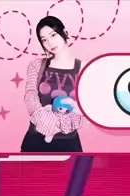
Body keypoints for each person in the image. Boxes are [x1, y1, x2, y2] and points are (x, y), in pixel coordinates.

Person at [21, 16, 84, 153]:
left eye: (53, 35)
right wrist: (46, 122)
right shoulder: (37, 65)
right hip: (35, 140)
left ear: (65, 33)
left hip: (69, 143)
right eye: (44, 39)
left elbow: (87, 108)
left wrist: (60, 126)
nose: (49, 43)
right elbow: (30, 96)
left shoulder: (83, 68)